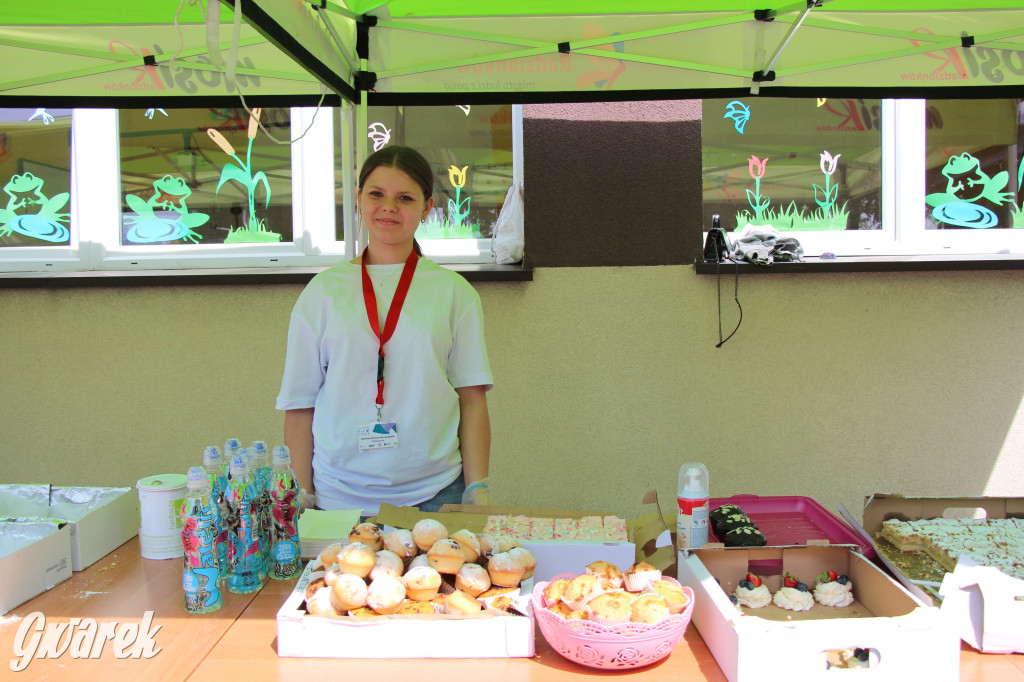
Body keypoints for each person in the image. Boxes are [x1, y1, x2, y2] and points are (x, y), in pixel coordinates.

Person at [276, 145, 494, 515]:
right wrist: (302, 493)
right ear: (359, 198)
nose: (388, 207)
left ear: (426, 207)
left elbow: (472, 399)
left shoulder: (454, 292)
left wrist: (477, 488)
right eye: (376, 194)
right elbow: (299, 405)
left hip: (434, 494)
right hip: (336, 498)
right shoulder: (323, 292)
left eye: (404, 198)